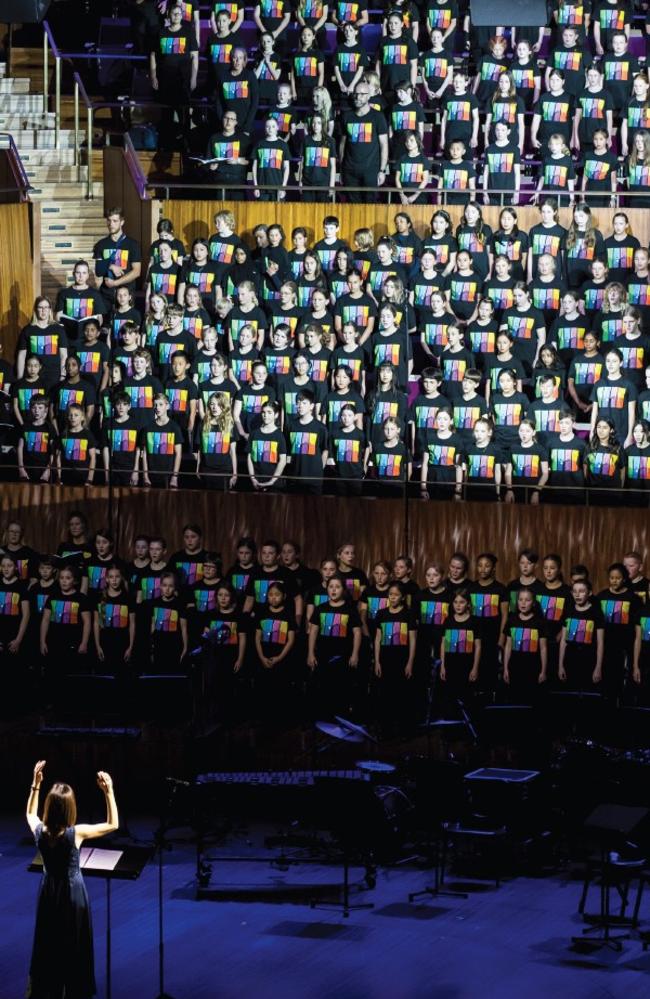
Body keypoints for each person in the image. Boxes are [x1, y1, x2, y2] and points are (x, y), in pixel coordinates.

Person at [26, 761, 118, 999]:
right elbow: (113, 824)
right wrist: (109, 792)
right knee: (75, 946)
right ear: (69, 809)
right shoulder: (76, 834)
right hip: (73, 896)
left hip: (49, 893)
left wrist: (36, 785)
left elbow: (30, 814)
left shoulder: (39, 831)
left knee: (49, 943)